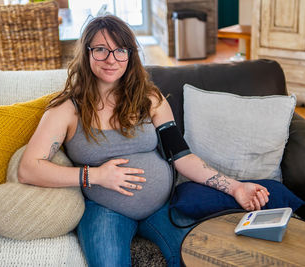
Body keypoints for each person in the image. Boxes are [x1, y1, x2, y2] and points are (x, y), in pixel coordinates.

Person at [18, 15, 270, 267]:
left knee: (195, 259)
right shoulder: (67, 110)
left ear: (130, 55)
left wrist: (236, 187)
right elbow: (28, 169)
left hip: (162, 207)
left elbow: (181, 157)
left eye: (120, 50)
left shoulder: (149, 98)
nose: (111, 59)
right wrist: (95, 176)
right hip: (105, 211)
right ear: (86, 53)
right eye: (101, 50)